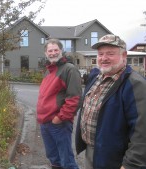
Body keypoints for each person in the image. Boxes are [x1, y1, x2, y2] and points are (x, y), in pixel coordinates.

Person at [75, 34, 146, 169]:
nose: (104, 58)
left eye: (110, 54)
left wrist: (131, 164)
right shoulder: (96, 77)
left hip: (116, 159)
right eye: (100, 54)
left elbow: (142, 132)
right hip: (92, 152)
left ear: (124, 56)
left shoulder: (135, 84)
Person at [36, 39, 82, 169]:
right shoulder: (49, 70)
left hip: (58, 123)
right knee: (54, 159)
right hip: (45, 122)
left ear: (61, 51)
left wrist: (59, 118)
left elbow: (75, 98)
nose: (53, 53)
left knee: (66, 160)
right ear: (46, 53)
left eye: (56, 50)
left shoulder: (69, 69)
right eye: (50, 51)